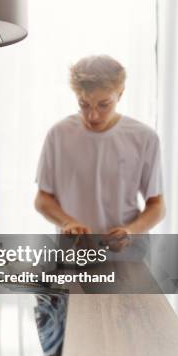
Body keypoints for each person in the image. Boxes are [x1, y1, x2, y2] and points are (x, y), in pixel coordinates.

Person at [35, 55, 165, 245]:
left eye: (104, 105)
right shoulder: (58, 134)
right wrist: (68, 222)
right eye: (84, 104)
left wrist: (130, 232)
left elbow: (157, 205)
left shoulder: (145, 138)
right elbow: (43, 198)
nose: (93, 115)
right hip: (73, 254)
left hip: (128, 256)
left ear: (120, 93)